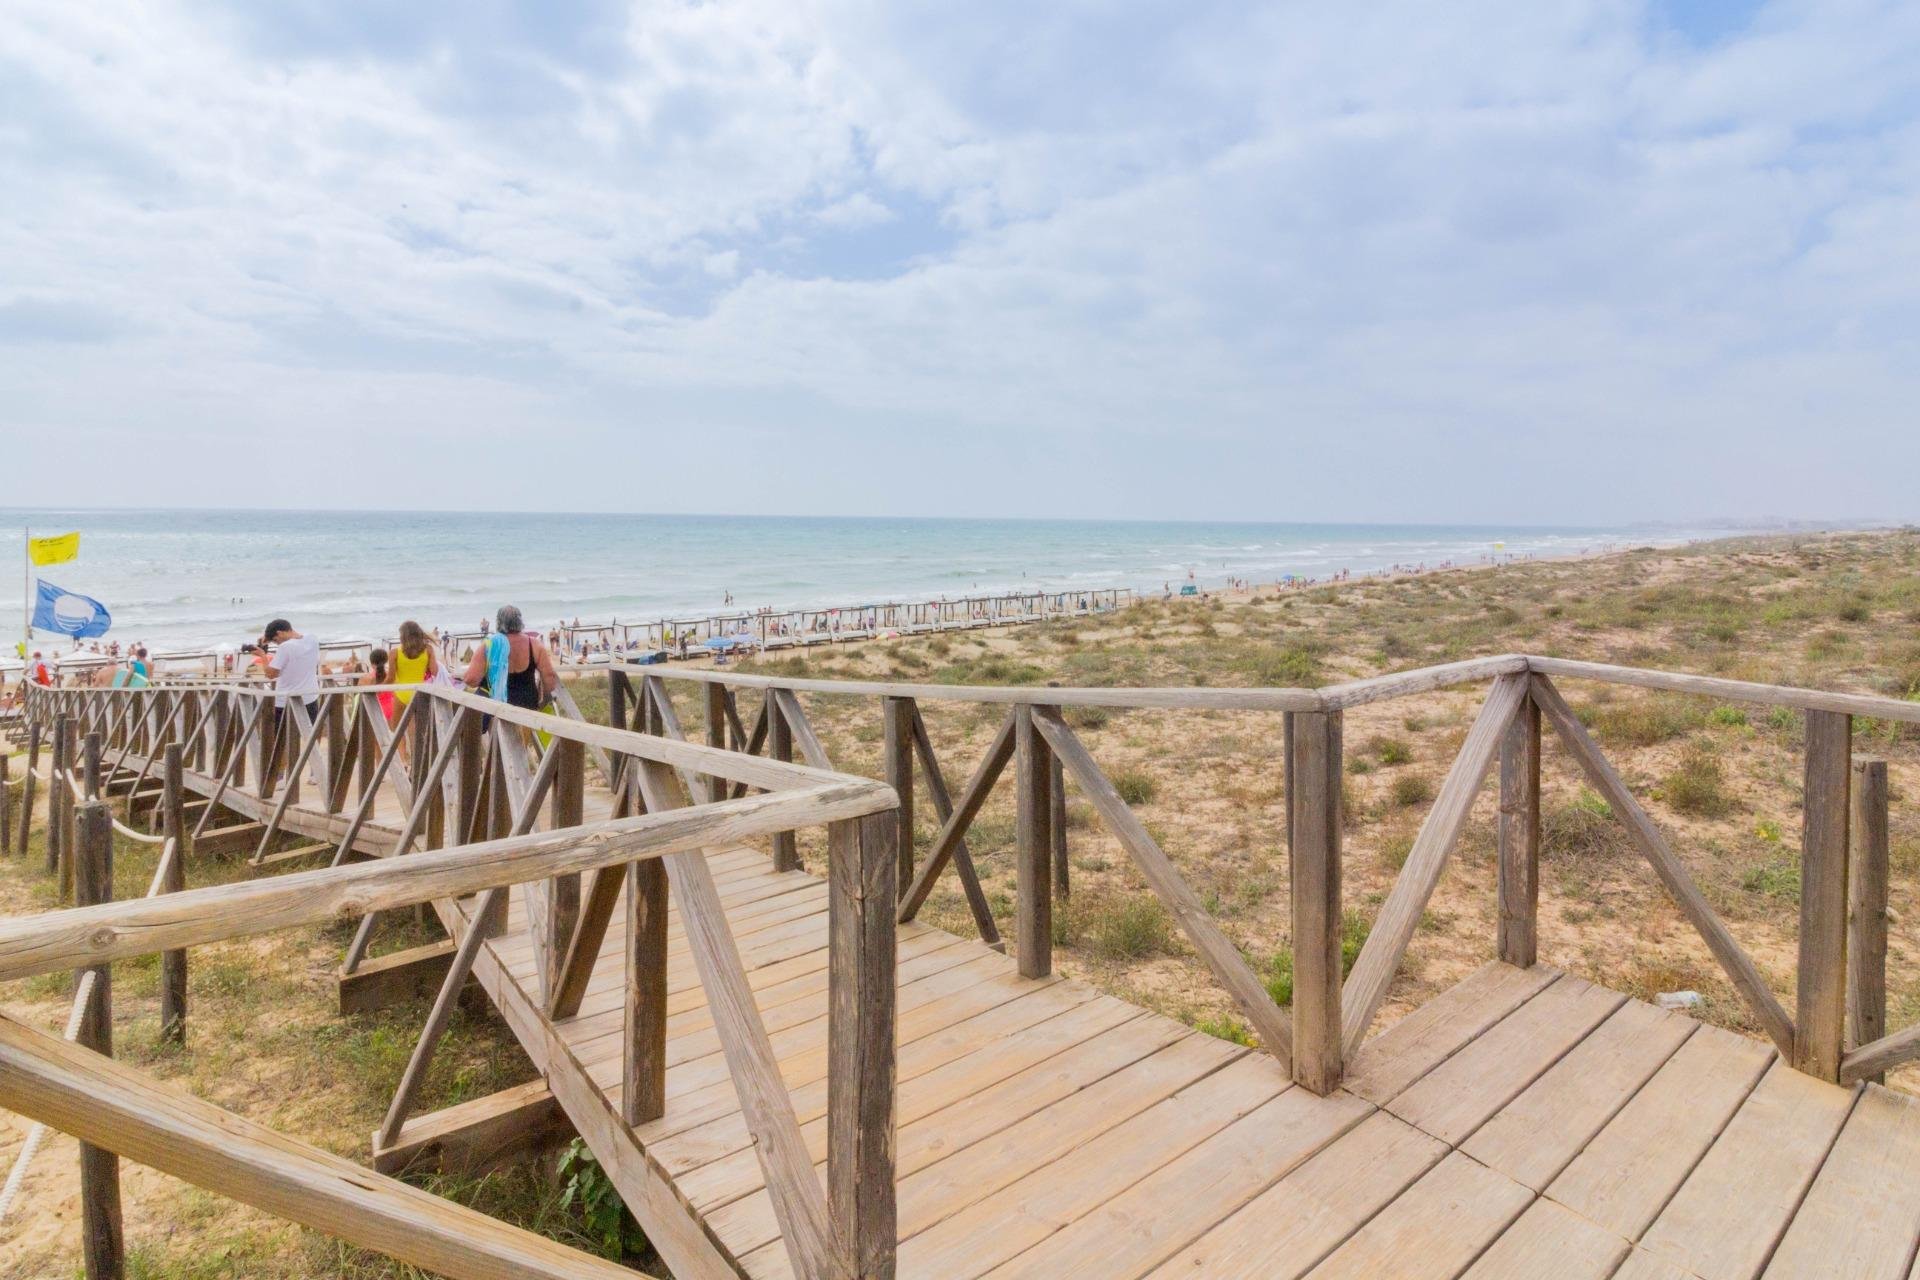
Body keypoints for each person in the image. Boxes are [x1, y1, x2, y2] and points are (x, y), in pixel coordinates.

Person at [462, 605, 557, 710]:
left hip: (495, 709)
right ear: (520, 621)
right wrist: (543, 700)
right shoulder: (534, 644)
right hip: (527, 706)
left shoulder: (489, 645)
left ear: (498, 622)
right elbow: (549, 677)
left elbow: (471, 679)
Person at [360, 648, 396, 723]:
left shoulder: (366, 678)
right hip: (392, 710)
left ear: (371, 662)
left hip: (374, 711)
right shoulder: (391, 677)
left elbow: (358, 697)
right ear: (386, 660)